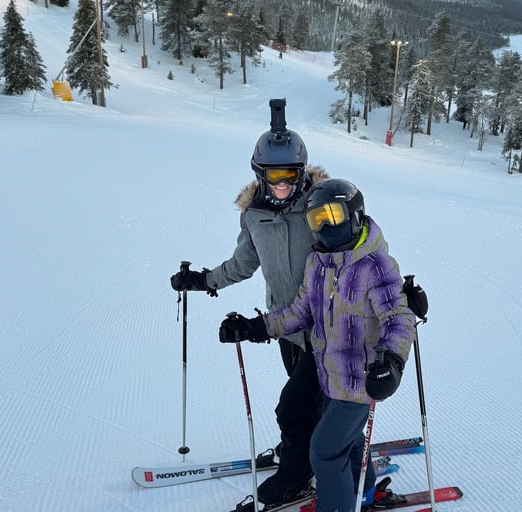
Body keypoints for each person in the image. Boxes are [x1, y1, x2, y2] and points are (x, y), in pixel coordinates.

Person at [219, 178, 417, 512]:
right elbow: (298, 313)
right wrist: (254, 326)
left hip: (359, 381)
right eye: (316, 219)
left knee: (325, 450)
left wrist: (392, 362)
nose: (325, 225)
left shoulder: (374, 264)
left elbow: (398, 317)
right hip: (328, 377)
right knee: (349, 442)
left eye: (332, 215)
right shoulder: (318, 263)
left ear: (353, 215)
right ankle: (362, 493)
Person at [170, 99, 329, 508]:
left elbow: (357, 255)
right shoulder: (255, 216)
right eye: (274, 177)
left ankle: (300, 472)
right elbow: (244, 262)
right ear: (259, 174)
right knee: (303, 399)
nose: (282, 186)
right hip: (285, 327)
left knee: (297, 404)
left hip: (329, 327)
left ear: (301, 173)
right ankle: (305, 448)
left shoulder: (321, 207)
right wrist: (204, 280)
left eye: (290, 177)